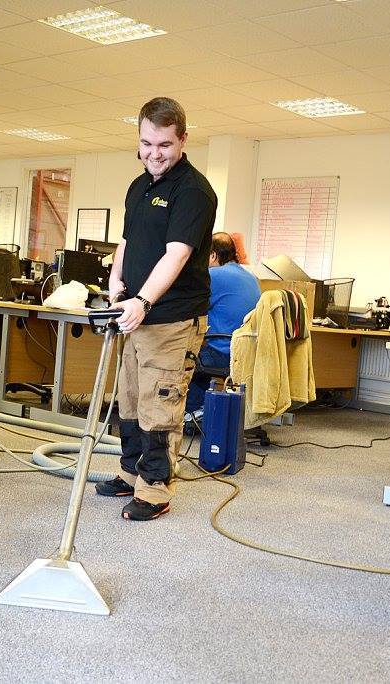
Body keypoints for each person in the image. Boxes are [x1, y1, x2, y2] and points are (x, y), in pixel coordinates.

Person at [94, 97, 217, 521]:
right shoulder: (139, 185)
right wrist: (116, 280)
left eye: (164, 144)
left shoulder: (193, 191)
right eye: (147, 143)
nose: (154, 153)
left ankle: (155, 489)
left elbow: (177, 254)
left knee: (159, 405)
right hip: (135, 315)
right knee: (130, 400)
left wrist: (144, 300)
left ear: (183, 140)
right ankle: (131, 473)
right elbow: (127, 241)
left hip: (172, 319)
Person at [184, 231, 261, 420]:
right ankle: (202, 411)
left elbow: (188, 305)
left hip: (222, 353)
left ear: (212, 255)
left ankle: (192, 413)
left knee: (183, 356)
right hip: (247, 353)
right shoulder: (252, 278)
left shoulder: (213, 275)